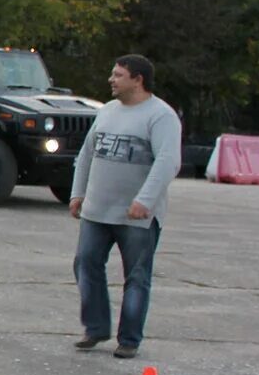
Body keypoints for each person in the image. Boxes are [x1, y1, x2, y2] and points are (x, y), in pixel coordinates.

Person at [69, 54, 181, 358]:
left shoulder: (161, 116)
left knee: (136, 276)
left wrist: (144, 200)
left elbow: (168, 161)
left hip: (137, 217)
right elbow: (87, 155)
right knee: (85, 263)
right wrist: (77, 193)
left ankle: (129, 339)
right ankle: (95, 328)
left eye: (118, 75)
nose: (111, 79)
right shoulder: (106, 111)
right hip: (97, 210)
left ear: (138, 79)